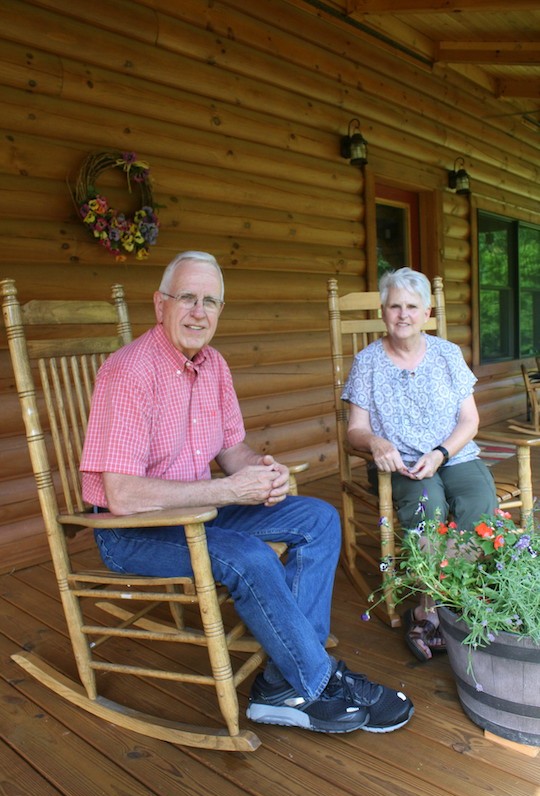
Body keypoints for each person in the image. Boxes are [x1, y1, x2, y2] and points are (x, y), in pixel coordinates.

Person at [80, 250, 413, 735]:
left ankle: (285, 679)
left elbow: (234, 451)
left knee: (318, 520)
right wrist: (229, 488)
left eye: (211, 301)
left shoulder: (213, 365)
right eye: (188, 298)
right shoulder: (130, 372)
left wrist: (263, 471)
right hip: (132, 530)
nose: (200, 312)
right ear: (160, 305)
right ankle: (316, 679)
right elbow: (123, 495)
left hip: (201, 511)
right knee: (248, 555)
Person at [342, 267, 498, 662]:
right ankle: (432, 609)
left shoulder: (447, 354)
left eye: (412, 306)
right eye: (395, 306)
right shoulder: (367, 362)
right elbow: (354, 430)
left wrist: (442, 453)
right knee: (429, 505)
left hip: (453, 455)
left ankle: (448, 594)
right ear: (383, 311)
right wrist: (376, 441)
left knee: (479, 502)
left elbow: (470, 421)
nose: (403, 314)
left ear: (426, 313)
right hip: (403, 467)